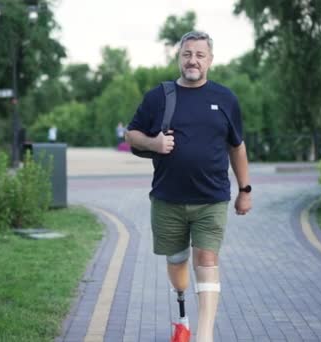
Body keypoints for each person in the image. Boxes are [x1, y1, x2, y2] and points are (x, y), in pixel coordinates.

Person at [125, 31, 252, 342]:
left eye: (199, 55)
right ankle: (182, 312)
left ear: (210, 60)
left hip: (212, 199)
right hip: (168, 199)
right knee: (177, 264)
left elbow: (237, 147)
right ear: (179, 57)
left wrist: (244, 191)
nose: (193, 60)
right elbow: (132, 135)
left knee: (207, 260)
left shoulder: (225, 99)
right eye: (187, 54)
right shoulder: (159, 96)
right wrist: (154, 143)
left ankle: (204, 336)